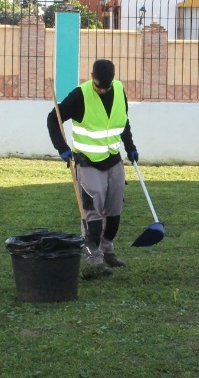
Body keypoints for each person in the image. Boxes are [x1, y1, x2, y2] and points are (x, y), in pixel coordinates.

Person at [46, 59, 138, 279]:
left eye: (106, 86)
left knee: (114, 212)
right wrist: (62, 149)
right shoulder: (80, 95)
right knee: (93, 212)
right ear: (92, 78)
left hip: (113, 160)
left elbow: (123, 122)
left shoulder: (118, 90)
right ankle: (93, 259)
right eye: (99, 86)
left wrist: (130, 147)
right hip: (87, 162)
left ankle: (108, 251)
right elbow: (53, 118)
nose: (102, 90)